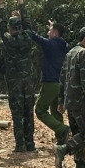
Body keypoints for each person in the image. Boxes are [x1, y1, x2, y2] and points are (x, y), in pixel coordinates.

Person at [0, 0, 37, 153]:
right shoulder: (27, 37)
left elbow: (0, 26)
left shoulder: (9, 40)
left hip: (14, 82)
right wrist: (20, 0)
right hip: (28, 80)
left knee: (18, 113)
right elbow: (28, 23)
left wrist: (0, 3)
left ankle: (20, 144)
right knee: (29, 111)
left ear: (10, 28)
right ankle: (30, 142)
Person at [56, 26, 85, 168]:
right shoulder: (84, 53)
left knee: (78, 133)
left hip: (70, 100)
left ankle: (80, 166)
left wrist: (61, 100)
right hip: (81, 100)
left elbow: (62, 77)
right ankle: (63, 149)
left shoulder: (70, 53)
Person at [28, 19, 69, 147]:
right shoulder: (65, 45)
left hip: (50, 83)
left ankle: (62, 129)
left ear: (55, 33)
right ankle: (62, 138)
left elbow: (34, 35)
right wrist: (53, 27)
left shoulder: (50, 45)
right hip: (60, 83)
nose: (48, 32)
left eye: (50, 30)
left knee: (40, 110)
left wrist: (23, 20)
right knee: (56, 110)